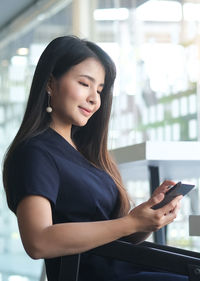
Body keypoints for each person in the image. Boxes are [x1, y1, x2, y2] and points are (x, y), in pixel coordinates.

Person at [2, 35, 187, 281]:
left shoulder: (89, 155)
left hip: (127, 269)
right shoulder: (35, 153)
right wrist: (130, 223)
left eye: (99, 89)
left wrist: (145, 218)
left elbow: (107, 237)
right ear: (50, 83)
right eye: (84, 83)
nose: (94, 98)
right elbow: (38, 241)